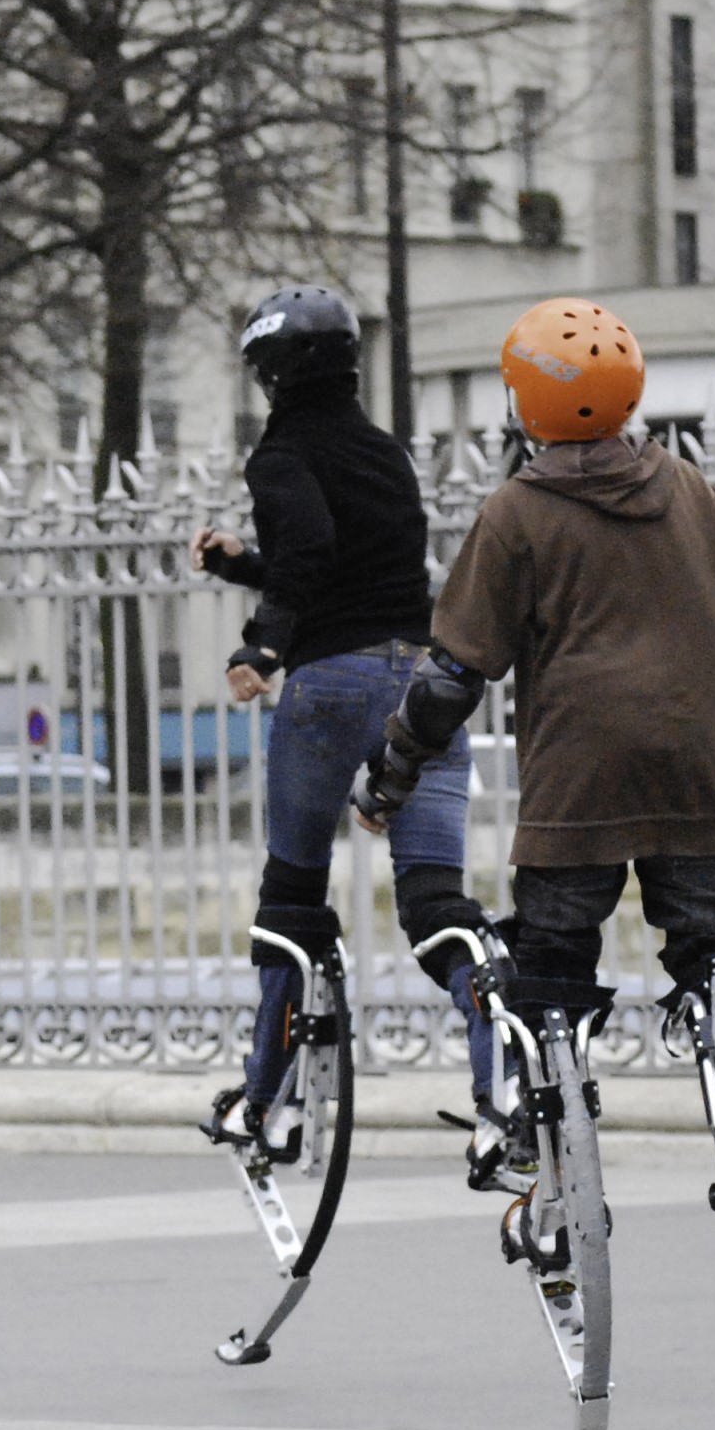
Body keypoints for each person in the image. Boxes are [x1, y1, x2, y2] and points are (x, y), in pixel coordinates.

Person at [356, 298, 715, 1040]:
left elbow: (452, 676)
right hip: (704, 769)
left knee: (553, 962)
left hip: (580, 781)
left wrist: (393, 772)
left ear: (525, 400)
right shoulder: (693, 491)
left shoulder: (516, 513)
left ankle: (556, 1091)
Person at [193, 286, 493, 1140]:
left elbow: (313, 552)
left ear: (274, 372)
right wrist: (244, 565)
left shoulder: (281, 453)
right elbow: (344, 563)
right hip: (424, 686)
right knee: (435, 900)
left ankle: (269, 1102)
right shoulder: (382, 450)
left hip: (332, 685)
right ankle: (501, 1069)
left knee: (291, 895)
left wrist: (264, 645)